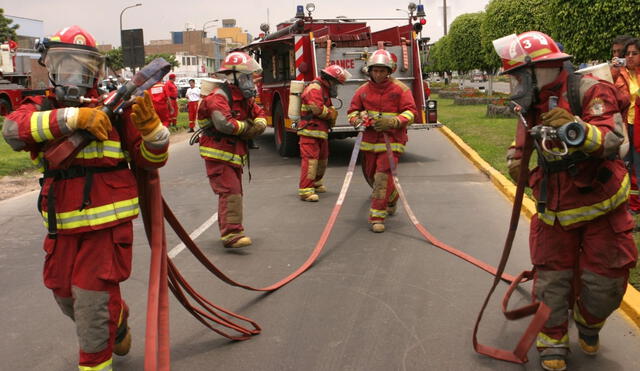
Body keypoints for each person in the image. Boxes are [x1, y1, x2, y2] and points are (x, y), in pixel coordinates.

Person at [1, 25, 170, 371]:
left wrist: (154, 132)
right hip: (62, 227)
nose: (74, 73)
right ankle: (117, 317)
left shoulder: (117, 111)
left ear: (96, 70)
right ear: (50, 66)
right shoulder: (44, 108)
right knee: (65, 295)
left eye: (84, 65)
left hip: (107, 230)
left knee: (91, 302)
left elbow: (151, 162)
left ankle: (95, 363)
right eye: (65, 63)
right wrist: (73, 117)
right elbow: (13, 132)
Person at [497, 31, 637, 371]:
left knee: (605, 283)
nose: (516, 82)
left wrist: (576, 128)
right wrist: (518, 160)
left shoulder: (590, 90)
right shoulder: (531, 101)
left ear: (539, 69)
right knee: (552, 278)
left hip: (600, 202)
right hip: (553, 205)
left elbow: (614, 140)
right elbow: (523, 140)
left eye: (519, 75)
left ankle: (589, 322)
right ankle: (552, 342)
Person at [197, 51, 267, 248]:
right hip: (218, 154)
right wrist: (248, 128)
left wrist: (259, 124)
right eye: (247, 77)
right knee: (231, 191)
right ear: (233, 76)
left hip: (233, 153)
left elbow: (259, 113)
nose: (251, 81)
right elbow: (224, 125)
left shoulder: (244, 98)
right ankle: (232, 234)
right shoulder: (218, 98)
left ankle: (231, 230)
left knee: (232, 193)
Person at [347, 49, 418, 233]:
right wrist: (358, 120)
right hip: (369, 141)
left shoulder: (400, 89)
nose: (378, 74)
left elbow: (411, 112)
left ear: (389, 71)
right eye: (375, 70)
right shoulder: (362, 91)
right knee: (371, 175)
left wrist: (393, 121)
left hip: (393, 140)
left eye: (382, 70)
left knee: (381, 177)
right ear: (369, 71)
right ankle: (392, 196)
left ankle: (377, 217)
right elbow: (352, 112)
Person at [297, 64, 351, 202]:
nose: (336, 87)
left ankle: (316, 183)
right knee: (310, 162)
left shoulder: (324, 89)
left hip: (320, 131)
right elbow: (317, 109)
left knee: (322, 159)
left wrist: (332, 111)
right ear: (329, 80)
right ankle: (305, 190)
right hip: (310, 132)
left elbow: (328, 105)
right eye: (336, 83)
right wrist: (331, 114)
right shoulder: (314, 89)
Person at [615, 37, 640, 215]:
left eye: (634, 53)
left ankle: (636, 205)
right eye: (627, 53)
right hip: (624, 125)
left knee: (638, 166)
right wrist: (613, 72)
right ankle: (626, 205)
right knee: (623, 165)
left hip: (638, 126)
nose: (630, 57)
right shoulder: (619, 73)